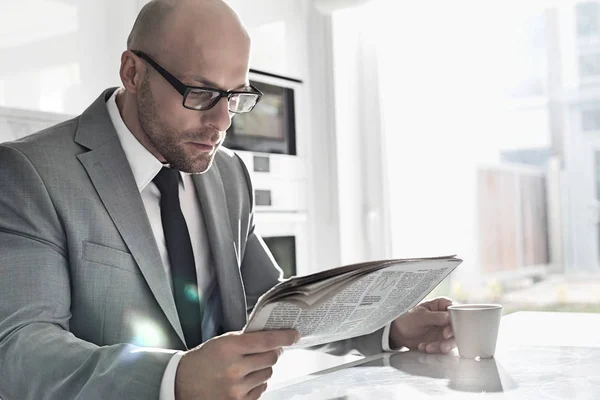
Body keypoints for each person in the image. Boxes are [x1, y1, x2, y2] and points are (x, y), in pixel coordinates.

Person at [0, 0, 456, 399]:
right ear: (132, 72)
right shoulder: (29, 172)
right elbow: (18, 347)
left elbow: (272, 303)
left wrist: (388, 326)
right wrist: (172, 380)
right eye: (200, 93)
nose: (222, 122)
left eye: (236, 96)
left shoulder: (228, 173)